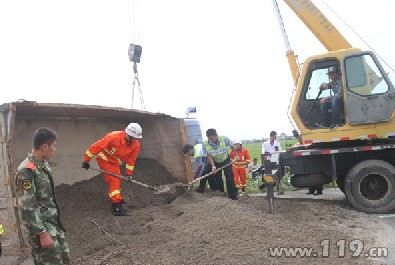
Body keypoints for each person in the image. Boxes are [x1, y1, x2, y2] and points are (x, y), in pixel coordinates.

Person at [15, 127, 70, 264]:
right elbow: (27, 206)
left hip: (54, 226)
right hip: (42, 230)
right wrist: (42, 233)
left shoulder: (43, 165)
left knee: (65, 259)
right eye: (53, 146)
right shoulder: (26, 170)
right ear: (44, 147)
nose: (54, 149)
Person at [82, 123, 142, 216]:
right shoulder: (113, 137)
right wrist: (86, 160)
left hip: (114, 163)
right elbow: (97, 147)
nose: (134, 140)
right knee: (114, 180)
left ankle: (118, 198)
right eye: (133, 138)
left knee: (118, 179)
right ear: (127, 134)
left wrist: (129, 174)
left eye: (136, 138)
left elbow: (131, 160)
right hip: (104, 159)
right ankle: (116, 206)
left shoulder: (135, 145)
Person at [202, 129, 238, 200]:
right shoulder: (205, 144)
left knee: (229, 178)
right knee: (218, 178)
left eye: (212, 138)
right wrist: (213, 166)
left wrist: (235, 155)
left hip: (226, 159)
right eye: (210, 139)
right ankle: (221, 194)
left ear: (216, 135)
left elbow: (232, 146)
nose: (211, 141)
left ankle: (232, 196)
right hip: (216, 161)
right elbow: (209, 156)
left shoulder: (224, 139)